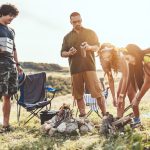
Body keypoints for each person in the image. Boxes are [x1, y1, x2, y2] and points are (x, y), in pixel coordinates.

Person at [61, 12, 106, 117]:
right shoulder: (67, 37)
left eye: (79, 21)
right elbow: (62, 53)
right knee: (78, 95)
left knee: (98, 93)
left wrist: (89, 47)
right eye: (74, 22)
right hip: (75, 69)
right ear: (70, 22)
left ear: (81, 20)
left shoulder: (90, 32)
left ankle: (105, 115)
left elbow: (97, 47)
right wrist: (69, 53)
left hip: (89, 67)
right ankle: (83, 117)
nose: (77, 23)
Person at [98, 43, 139, 121]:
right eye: (105, 57)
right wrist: (114, 97)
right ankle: (119, 119)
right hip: (126, 75)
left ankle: (137, 120)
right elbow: (110, 79)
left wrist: (121, 95)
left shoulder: (120, 56)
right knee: (118, 94)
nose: (107, 59)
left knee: (130, 94)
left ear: (112, 53)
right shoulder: (104, 61)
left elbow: (126, 76)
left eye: (109, 57)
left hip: (136, 71)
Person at [0, 4, 22, 132]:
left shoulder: (11, 30)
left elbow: (14, 49)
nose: (11, 18)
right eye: (10, 15)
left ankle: (6, 125)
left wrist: (18, 64)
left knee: (8, 95)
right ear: (2, 13)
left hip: (11, 65)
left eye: (13, 16)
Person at [124, 44, 150, 125]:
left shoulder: (146, 58)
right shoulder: (141, 63)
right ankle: (137, 120)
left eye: (128, 58)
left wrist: (137, 99)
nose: (128, 62)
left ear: (134, 54)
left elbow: (148, 81)